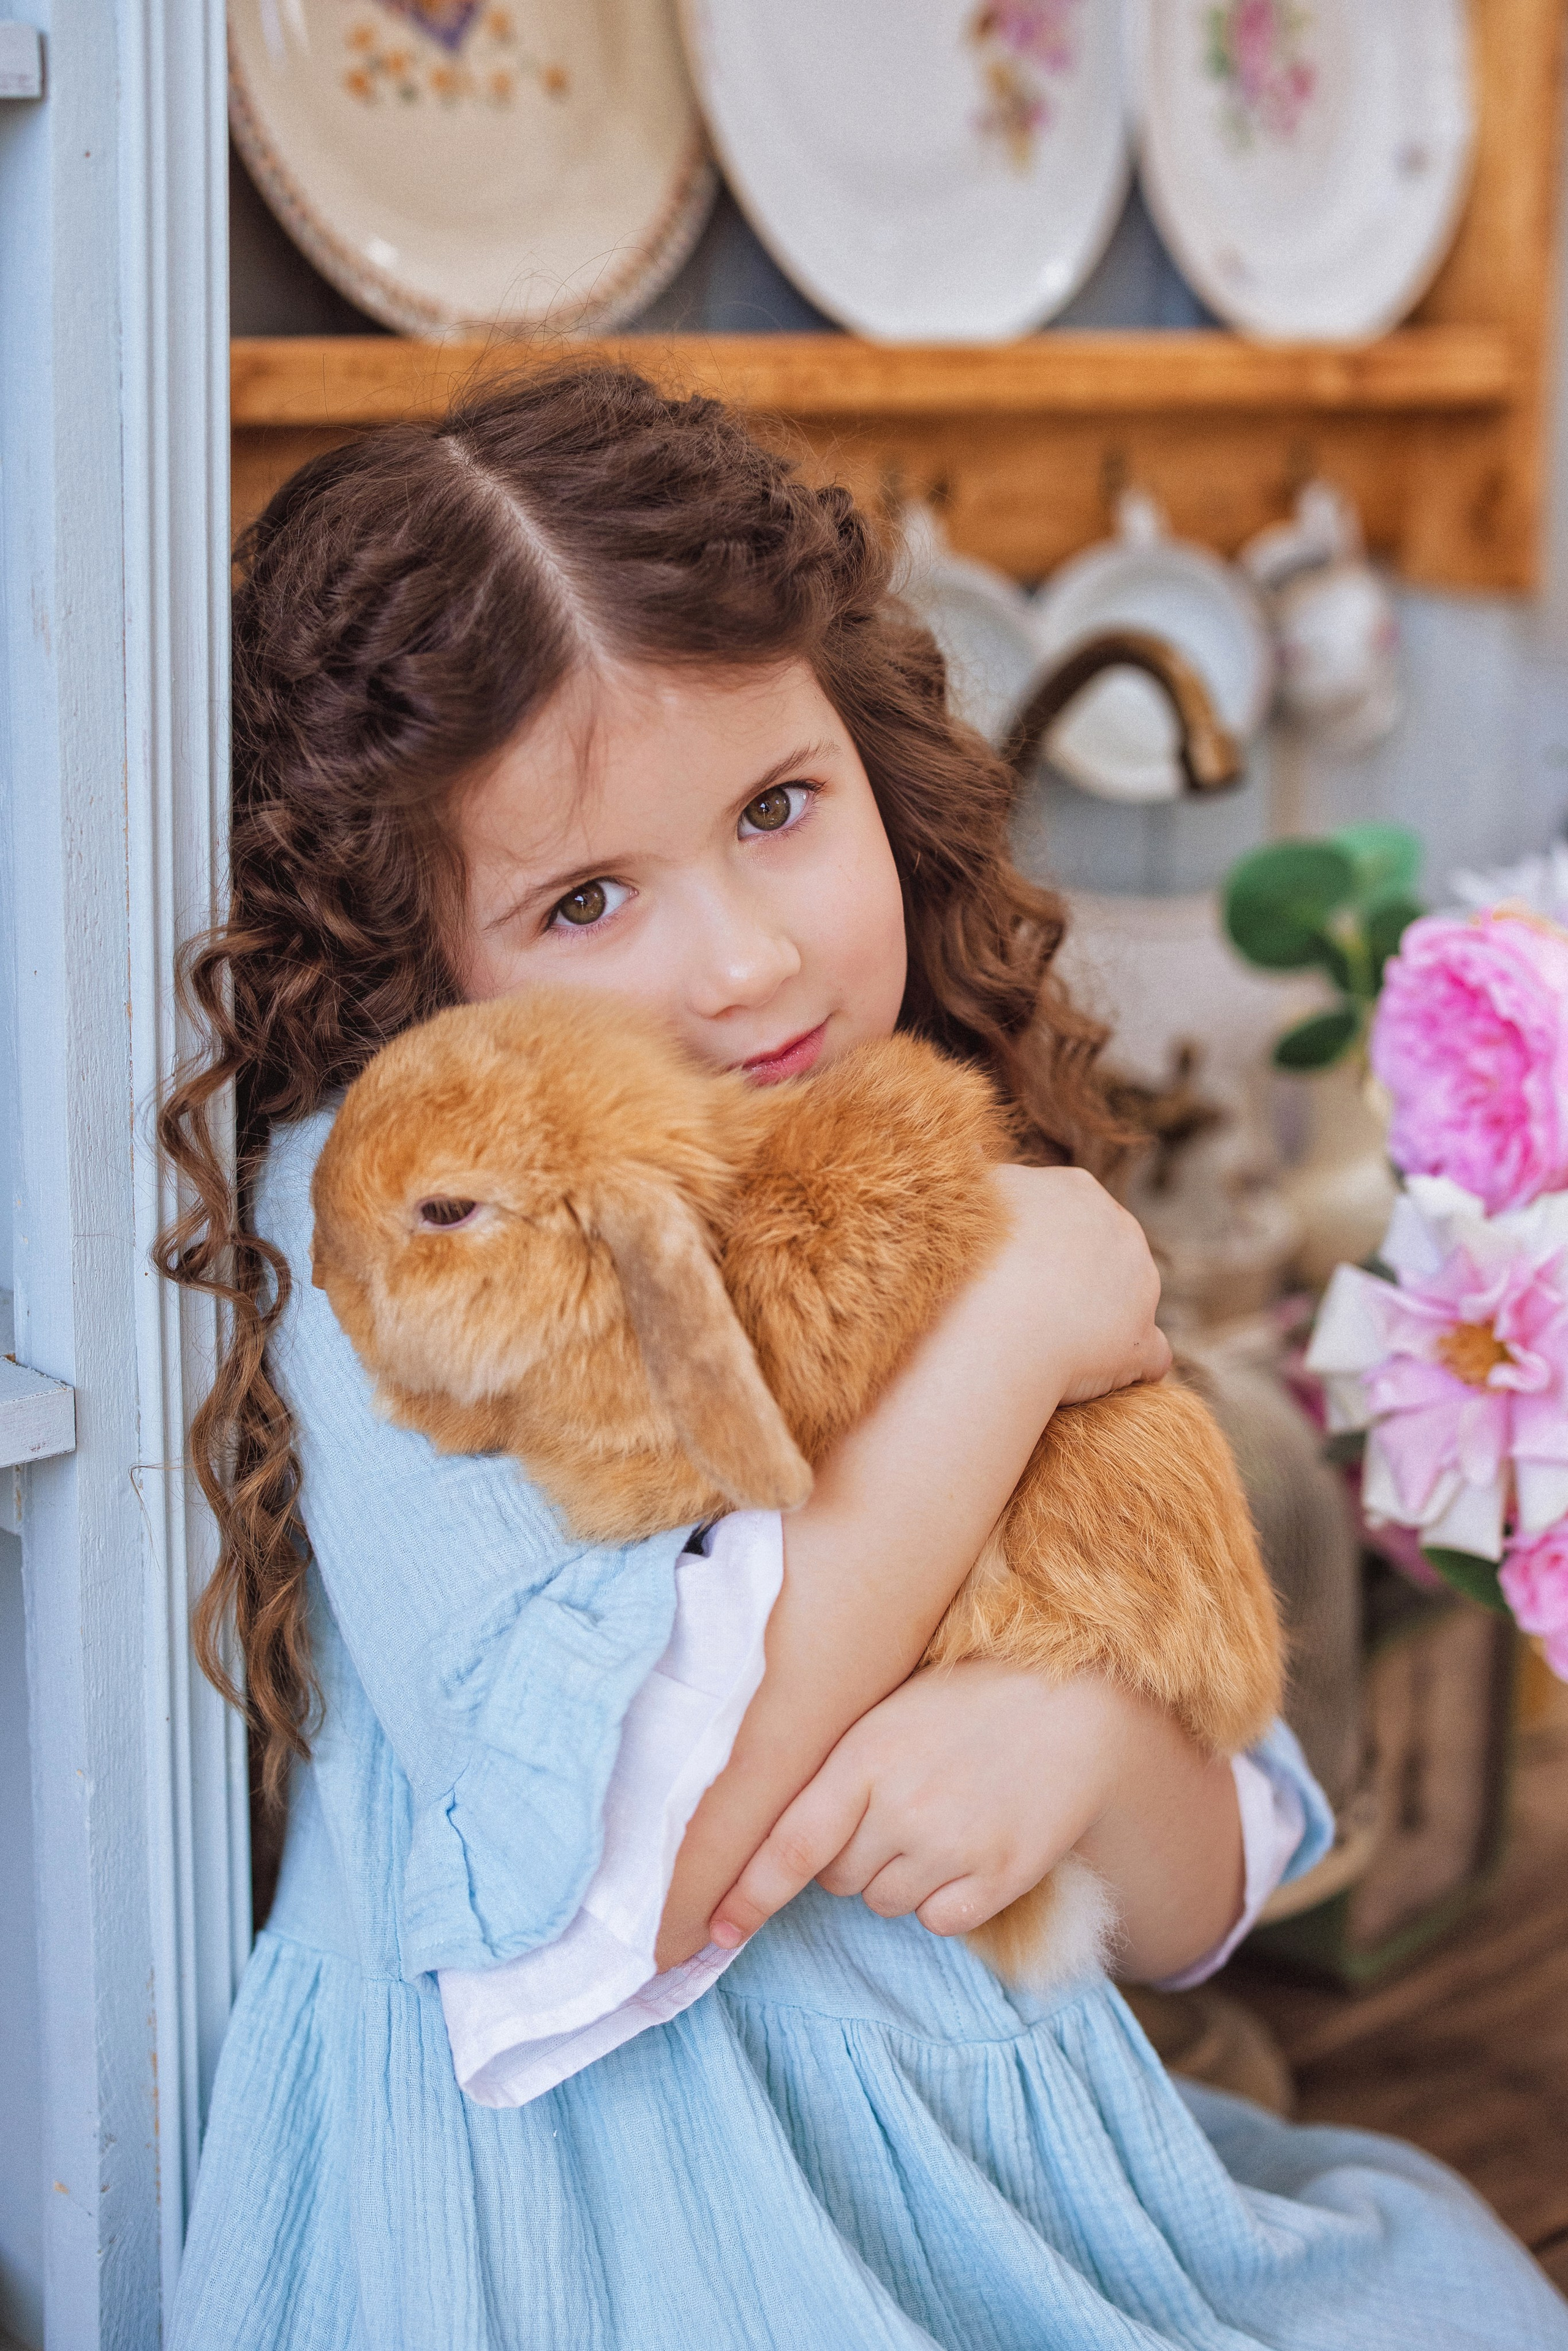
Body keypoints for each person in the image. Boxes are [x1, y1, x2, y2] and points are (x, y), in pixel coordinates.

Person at [160, 364, 1567, 2348]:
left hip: (1009, 2171)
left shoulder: (918, 1138)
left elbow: (1193, 1913)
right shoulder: (405, 1219)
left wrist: (1080, 1736)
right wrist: (1000, 1342)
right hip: (600, 2241)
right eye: (583, 898)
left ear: (873, 761)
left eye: (774, 808)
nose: (744, 962)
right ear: (418, 958)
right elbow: (616, 1890)